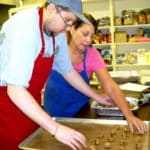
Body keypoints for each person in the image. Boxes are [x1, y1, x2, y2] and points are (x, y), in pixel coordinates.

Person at [0, 0, 109, 149]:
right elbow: (15, 89)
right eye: (67, 20)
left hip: (30, 104)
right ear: (52, 8)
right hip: (6, 107)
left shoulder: (55, 32)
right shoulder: (24, 28)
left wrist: (97, 96)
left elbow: (67, 71)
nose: (68, 27)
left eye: (72, 23)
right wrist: (55, 128)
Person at [44, 13, 148, 135]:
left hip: (81, 115)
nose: (88, 40)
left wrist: (129, 115)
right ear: (71, 29)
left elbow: (109, 85)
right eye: (85, 34)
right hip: (54, 114)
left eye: (92, 36)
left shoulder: (92, 55)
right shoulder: (55, 50)